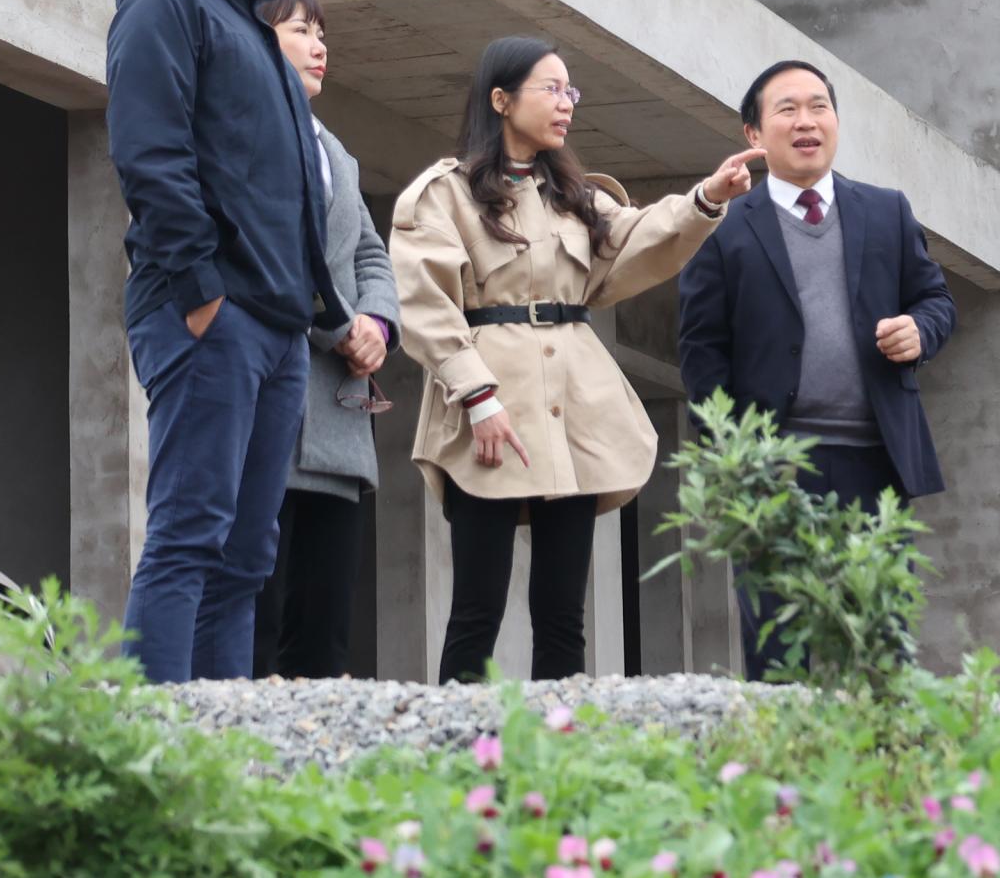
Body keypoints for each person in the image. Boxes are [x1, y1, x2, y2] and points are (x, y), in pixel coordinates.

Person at [390, 36, 761, 683]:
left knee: (563, 611)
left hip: (576, 410)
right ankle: (462, 737)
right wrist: (476, 395)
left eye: (571, 91)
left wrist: (706, 197)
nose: (566, 104)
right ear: (501, 99)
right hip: (491, 405)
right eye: (551, 89)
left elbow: (636, 236)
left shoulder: (573, 194)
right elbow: (424, 302)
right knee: (477, 606)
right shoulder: (445, 194)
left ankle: (561, 735)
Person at [106, 0, 345, 683]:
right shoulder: (163, 1)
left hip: (276, 323)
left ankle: (219, 742)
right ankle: (154, 737)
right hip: (210, 311)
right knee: (188, 538)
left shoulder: (250, 13)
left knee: (246, 555)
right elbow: (151, 155)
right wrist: (202, 290)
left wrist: (311, 306)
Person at [677, 59, 957, 680]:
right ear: (754, 134)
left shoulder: (886, 210)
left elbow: (936, 300)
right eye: (787, 110)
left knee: (879, 645)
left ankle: (878, 745)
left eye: (819, 107)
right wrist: (733, 462)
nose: (806, 121)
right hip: (774, 467)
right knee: (779, 652)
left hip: (875, 461)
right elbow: (701, 354)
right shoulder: (722, 228)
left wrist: (921, 331)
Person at [250, 0, 401, 679]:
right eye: (301, 32)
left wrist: (377, 324)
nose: (320, 47)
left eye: (322, 34)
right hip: (271, 394)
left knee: (324, 628)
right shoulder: (247, 131)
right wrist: (340, 325)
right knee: (254, 616)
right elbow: (276, 249)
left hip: (338, 417)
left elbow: (370, 253)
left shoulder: (335, 151)